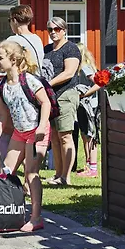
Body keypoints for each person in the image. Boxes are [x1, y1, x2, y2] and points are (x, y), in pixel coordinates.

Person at [0, 40, 51, 232]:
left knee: (31, 173)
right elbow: (1, 115)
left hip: (36, 131)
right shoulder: (2, 86)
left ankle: (36, 217)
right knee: (6, 171)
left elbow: (46, 103)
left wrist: (42, 126)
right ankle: (11, 212)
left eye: (0, 58)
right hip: (19, 132)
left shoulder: (29, 80)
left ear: (13, 59)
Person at [0, 5, 45, 160]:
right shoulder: (37, 39)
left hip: (19, 87)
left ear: (14, 20)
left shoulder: (12, 41)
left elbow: (4, 66)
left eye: (9, 20)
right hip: (34, 88)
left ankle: (5, 160)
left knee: (9, 128)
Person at [43, 17, 81, 186]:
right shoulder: (47, 49)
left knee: (65, 135)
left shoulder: (71, 48)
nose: (53, 32)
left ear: (64, 30)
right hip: (50, 97)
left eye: (57, 29)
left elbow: (69, 73)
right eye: (50, 29)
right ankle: (58, 174)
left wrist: (47, 84)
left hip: (66, 94)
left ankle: (66, 177)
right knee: (55, 137)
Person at [75, 43, 100, 178]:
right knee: (84, 135)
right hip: (83, 105)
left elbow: (99, 82)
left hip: (89, 106)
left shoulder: (85, 67)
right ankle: (88, 165)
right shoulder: (80, 68)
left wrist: (85, 94)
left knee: (90, 136)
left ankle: (93, 168)